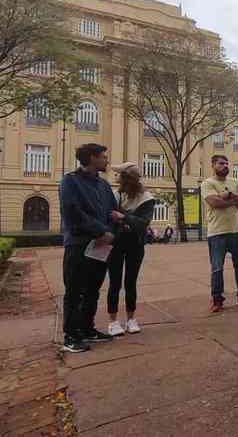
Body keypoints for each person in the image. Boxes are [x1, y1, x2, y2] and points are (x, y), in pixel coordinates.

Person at [59, 143, 117, 353]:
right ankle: (71, 336)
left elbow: (113, 212)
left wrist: (110, 233)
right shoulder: (70, 181)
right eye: (103, 156)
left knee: (93, 289)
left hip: (101, 246)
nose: (106, 160)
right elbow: (72, 212)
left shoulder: (103, 185)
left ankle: (87, 329)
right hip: (79, 244)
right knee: (74, 291)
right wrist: (101, 231)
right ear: (92, 158)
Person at [107, 162, 155, 336]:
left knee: (130, 282)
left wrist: (123, 217)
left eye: (120, 175)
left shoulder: (146, 198)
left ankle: (131, 319)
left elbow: (143, 224)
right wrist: (128, 221)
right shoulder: (115, 195)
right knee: (114, 282)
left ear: (128, 179)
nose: (117, 178)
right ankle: (113, 321)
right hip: (116, 244)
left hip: (135, 244)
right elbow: (109, 217)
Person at [201, 155, 238, 312]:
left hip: (237, 231)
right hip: (217, 233)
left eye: (226, 163)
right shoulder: (208, 183)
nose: (224, 165)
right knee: (217, 268)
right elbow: (214, 203)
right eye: (221, 163)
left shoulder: (236, 182)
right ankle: (217, 299)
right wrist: (235, 199)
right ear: (213, 165)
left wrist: (228, 195)